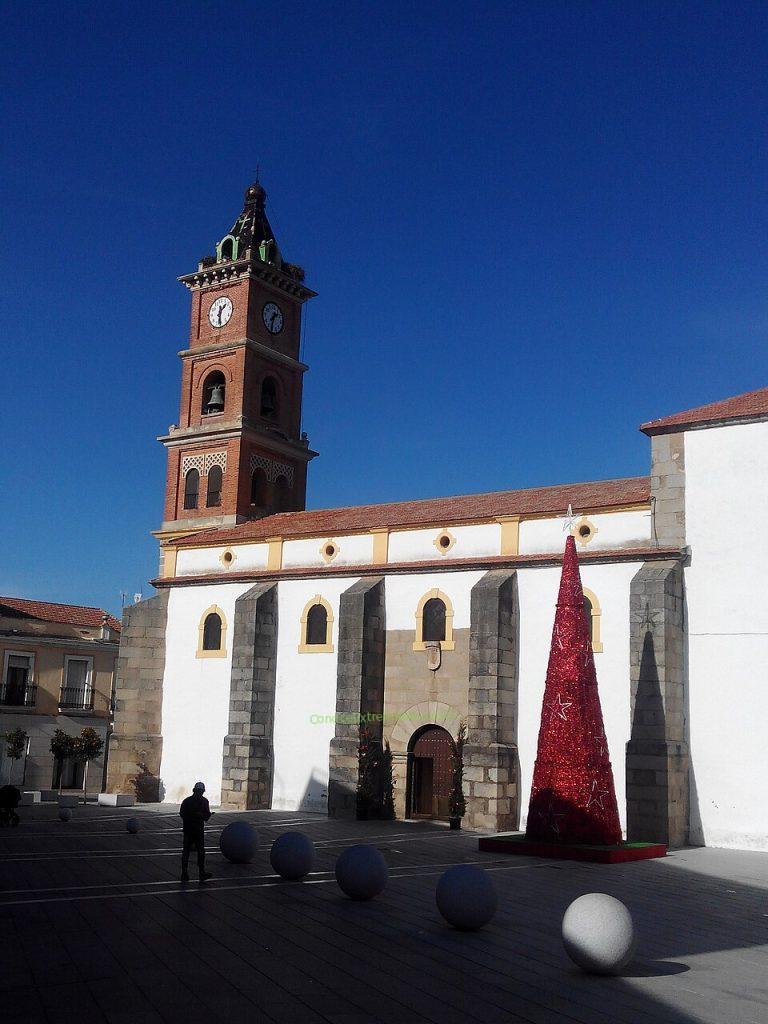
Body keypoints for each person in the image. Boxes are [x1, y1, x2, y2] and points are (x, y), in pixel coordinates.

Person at [179, 781, 213, 882]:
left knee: (186, 851)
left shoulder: (186, 801)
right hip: (198, 830)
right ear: (202, 791)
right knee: (200, 852)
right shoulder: (204, 802)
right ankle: (201, 873)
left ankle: (184, 873)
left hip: (188, 829)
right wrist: (201, 815)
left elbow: (182, 814)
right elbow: (206, 816)